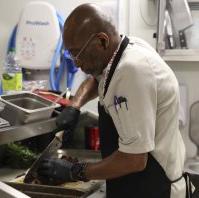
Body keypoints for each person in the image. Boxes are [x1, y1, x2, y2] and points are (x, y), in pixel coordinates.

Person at [37, 3, 187, 198]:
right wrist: (74, 105)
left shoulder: (132, 70)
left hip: (155, 187)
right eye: (70, 54)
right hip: (133, 184)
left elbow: (134, 159)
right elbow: (97, 79)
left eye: (78, 53)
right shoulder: (119, 53)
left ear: (102, 41)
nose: (75, 62)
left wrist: (77, 171)